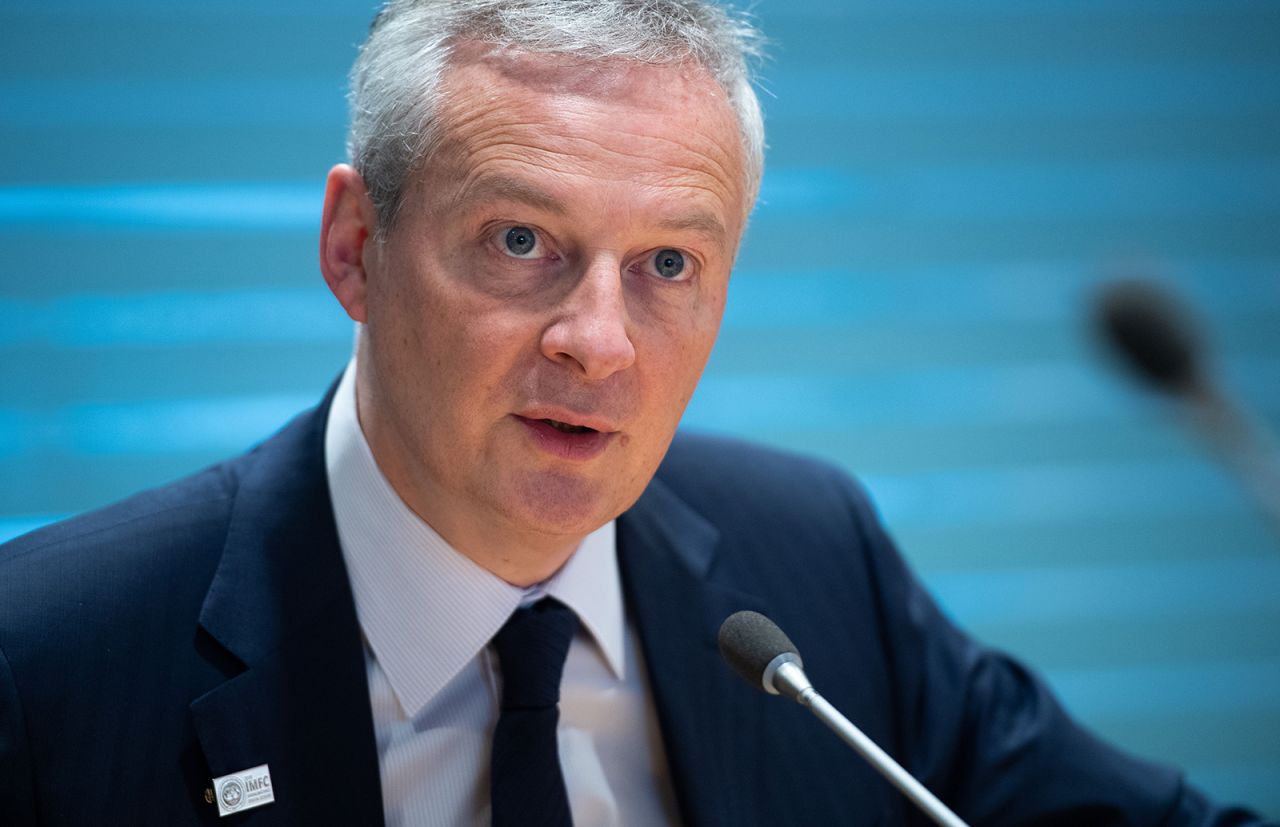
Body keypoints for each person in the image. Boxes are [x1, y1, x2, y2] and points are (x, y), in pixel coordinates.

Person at [0, 1, 1269, 825]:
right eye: (518, 239)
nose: (598, 340)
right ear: (354, 246)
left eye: (668, 263)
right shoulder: (48, 660)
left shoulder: (812, 561)